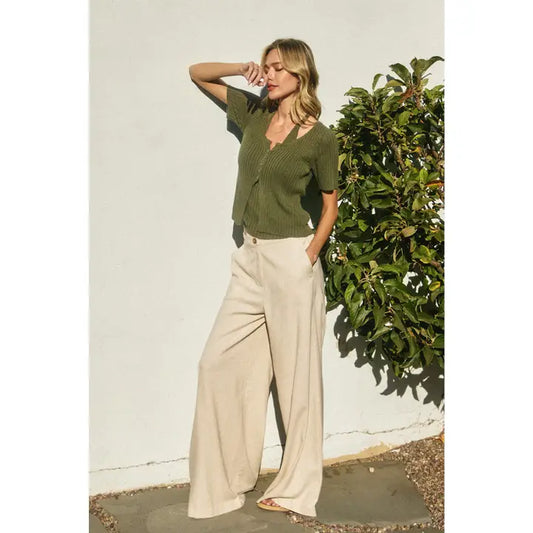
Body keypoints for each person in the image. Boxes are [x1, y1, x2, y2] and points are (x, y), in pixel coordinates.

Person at [187, 38, 339, 520]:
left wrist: (308, 255)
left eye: (277, 68)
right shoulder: (253, 113)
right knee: (215, 364)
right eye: (266, 66)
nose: (268, 74)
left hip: (291, 261)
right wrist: (241, 68)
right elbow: (197, 72)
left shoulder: (320, 139)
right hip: (249, 259)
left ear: (300, 74)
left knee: (297, 381)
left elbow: (330, 205)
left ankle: (296, 489)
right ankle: (228, 479)